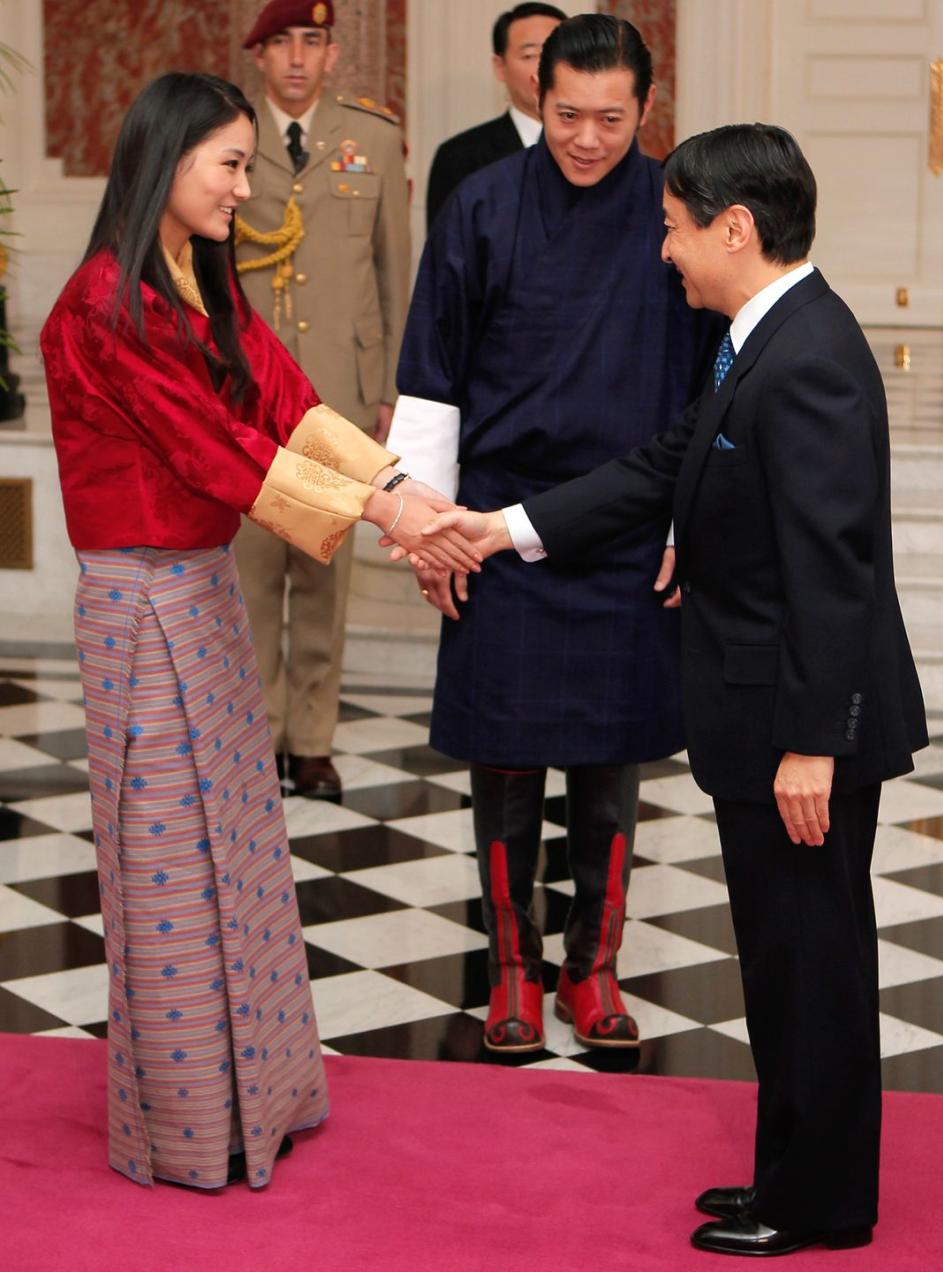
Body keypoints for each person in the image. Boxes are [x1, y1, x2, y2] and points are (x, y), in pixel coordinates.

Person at [418, 124, 928, 1257]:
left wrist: (812, 744)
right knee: (783, 964)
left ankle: (824, 1205)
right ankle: (787, 1177)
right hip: (766, 716)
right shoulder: (766, 337)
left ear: (734, 228)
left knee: (816, 968)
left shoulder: (810, 360)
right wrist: (500, 528)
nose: (665, 251)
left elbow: (835, 574)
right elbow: (668, 464)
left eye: (675, 226)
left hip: (801, 729)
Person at [39, 71, 475, 1191]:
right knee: (170, 866)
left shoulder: (200, 275)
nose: (248, 184)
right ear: (164, 163)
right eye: (229, 164)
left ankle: (258, 1097)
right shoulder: (100, 305)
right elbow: (211, 451)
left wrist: (398, 487)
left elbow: (284, 397)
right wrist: (386, 514)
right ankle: (189, 1128)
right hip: (140, 607)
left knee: (237, 851)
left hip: (202, 597)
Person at [388, 14, 721, 1056]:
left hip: (627, 521)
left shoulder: (681, 215)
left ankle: (594, 965)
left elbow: (715, 380)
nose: (584, 136)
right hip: (492, 525)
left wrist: (688, 518)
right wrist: (431, 533)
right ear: (536, 93)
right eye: (565, 112)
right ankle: (513, 972)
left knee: (612, 763)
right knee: (503, 760)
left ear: (645, 109)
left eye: (609, 119)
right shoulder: (482, 205)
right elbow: (430, 375)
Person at [233, 0, 412, 800]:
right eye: (282, 45)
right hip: (247, 398)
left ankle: (311, 739)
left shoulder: (370, 138)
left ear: (333, 54)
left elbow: (391, 274)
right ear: (259, 58)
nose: (298, 58)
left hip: (334, 399)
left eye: (312, 41)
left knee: (319, 574)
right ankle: (256, 733)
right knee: (250, 572)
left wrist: (389, 390)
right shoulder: (229, 139)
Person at [425, 3, 566, 229]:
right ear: (500, 67)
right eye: (530, 55)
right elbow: (447, 256)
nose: (545, 67)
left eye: (558, 53)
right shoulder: (460, 158)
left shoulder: (602, 146)